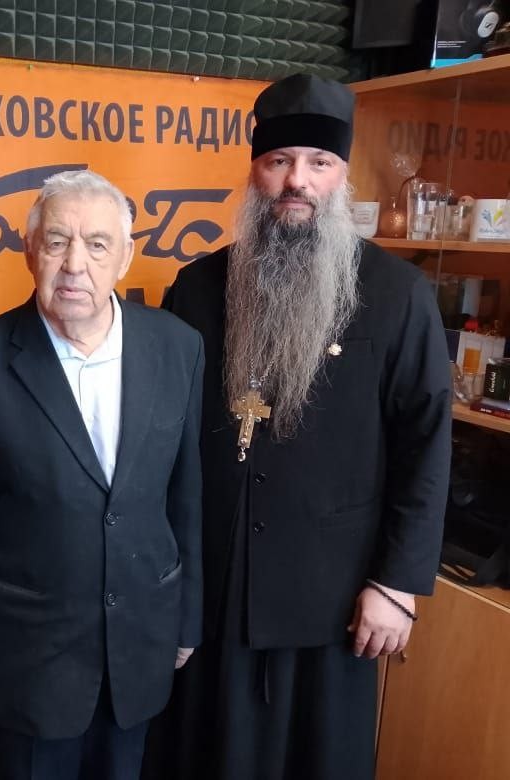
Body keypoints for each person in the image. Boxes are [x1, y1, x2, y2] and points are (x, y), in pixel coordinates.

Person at [143, 74, 451, 780]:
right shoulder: (196, 287)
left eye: (318, 162)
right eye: (279, 161)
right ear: (255, 171)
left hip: (334, 600)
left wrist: (397, 585)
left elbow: (427, 444)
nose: (297, 182)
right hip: (213, 595)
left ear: (342, 176)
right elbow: (160, 444)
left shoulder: (398, 295)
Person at [0, 169, 204, 780]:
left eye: (97, 244)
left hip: (140, 654)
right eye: (57, 242)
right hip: (25, 671)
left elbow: (185, 497)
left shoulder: (179, 347)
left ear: (125, 257)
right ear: (31, 251)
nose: (75, 264)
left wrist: (186, 619)